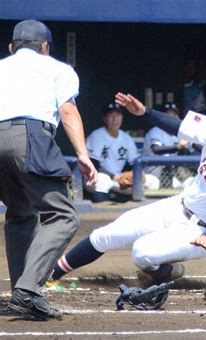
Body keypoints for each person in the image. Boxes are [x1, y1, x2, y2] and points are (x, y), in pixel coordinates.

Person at [48, 92, 206, 290]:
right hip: (176, 206)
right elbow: (177, 127)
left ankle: (165, 272)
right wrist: (144, 112)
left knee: (142, 252)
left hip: (199, 231)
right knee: (108, 234)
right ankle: (52, 274)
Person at [0, 19, 97, 320]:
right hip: (28, 136)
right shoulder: (58, 68)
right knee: (63, 216)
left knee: (20, 214)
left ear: (12, 47)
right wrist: (82, 154)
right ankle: (28, 290)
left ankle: (22, 292)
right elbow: (68, 110)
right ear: (45, 47)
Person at [85, 102, 160, 202]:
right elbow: (93, 164)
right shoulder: (96, 136)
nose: (115, 119)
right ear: (104, 119)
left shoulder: (126, 138)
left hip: (119, 178)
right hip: (95, 177)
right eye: (111, 115)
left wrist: (135, 175)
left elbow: (134, 162)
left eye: (118, 115)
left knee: (153, 181)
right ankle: (99, 212)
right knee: (104, 181)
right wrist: (114, 176)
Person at [142, 101, 195, 189]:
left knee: (189, 182)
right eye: (168, 115)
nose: (171, 118)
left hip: (170, 171)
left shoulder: (179, 134)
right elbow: (156, 149)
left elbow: (194, 149)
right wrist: (178, 146)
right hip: (153, 170)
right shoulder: (156, 131)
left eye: (174, 115)